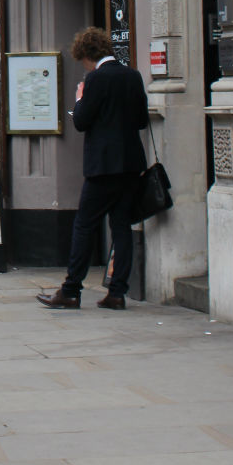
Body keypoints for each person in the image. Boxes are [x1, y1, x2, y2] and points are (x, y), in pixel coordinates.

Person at [37, 27, 148, 312]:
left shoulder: (95, 79)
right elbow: (141, 120)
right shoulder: (132, 76)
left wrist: (79, 98)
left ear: (86, 55)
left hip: (102, 167)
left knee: (84, 225)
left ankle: (71, 289)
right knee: (122, 226)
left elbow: (82, 121)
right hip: (130, 164)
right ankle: (117, 292)